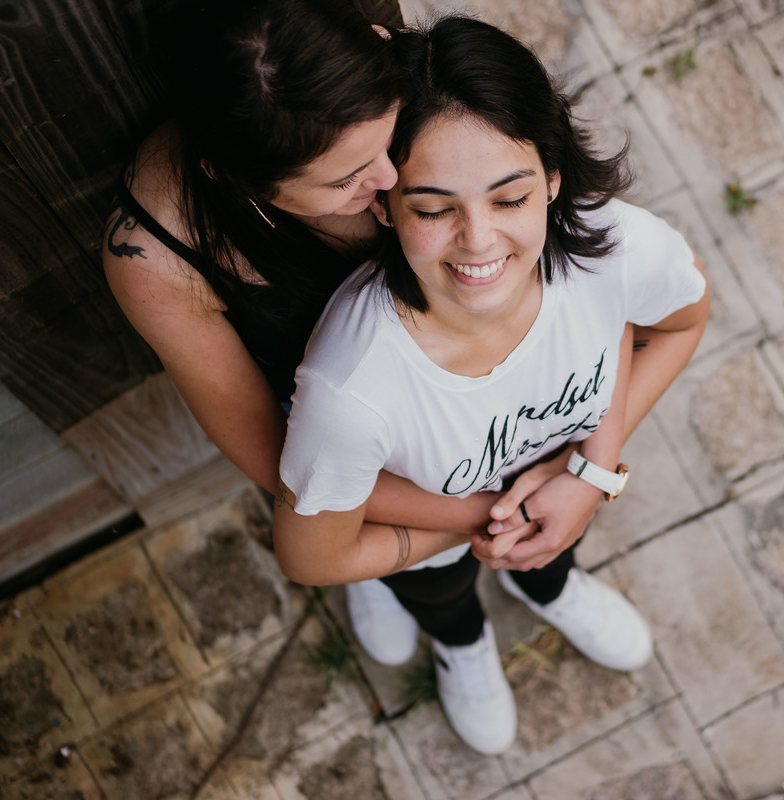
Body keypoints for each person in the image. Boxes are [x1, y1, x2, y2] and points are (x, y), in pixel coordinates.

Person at [274, 15, 710, 754]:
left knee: (553, 548)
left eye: (509, 199)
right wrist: (484, 518)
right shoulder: (350, 388)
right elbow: (312, 554)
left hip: (561, 485)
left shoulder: (619, 251)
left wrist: (588, 477)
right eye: (434, 208)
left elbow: (681, 323)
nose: (478, 241)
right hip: (421, 539)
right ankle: (459, 642)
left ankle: (549, 585)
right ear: (382, 203)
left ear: (552, 178)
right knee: (438, 592)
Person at [100, 0, 566, 668]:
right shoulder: (156, 256)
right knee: (425, 576)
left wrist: (573, 467)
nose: (387, 182)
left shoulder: (414, 70)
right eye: (346, 180)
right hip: (363, 455)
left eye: (388, 137)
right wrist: (477, 513)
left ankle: (548, 586)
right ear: (236, 180)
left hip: (497, 392)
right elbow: (281, 461)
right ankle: (448, 630)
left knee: (547, 536)